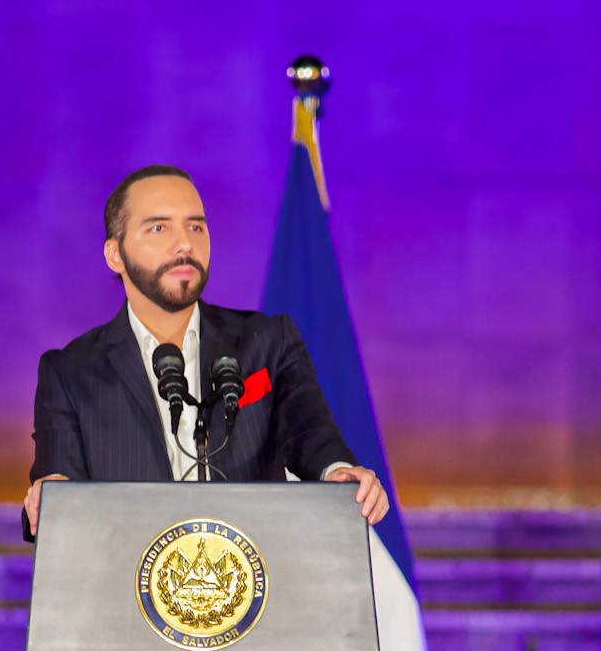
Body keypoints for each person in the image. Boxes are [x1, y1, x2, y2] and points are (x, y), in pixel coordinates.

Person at [22, 165, 389, 537]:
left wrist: (337, 471)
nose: (184, 244)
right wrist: (50, 497)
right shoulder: (70, 372)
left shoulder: (268, 342)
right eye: (159, 228)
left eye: (195, 227)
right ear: (115, 254)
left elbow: (309, 433)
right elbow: (57, 484)